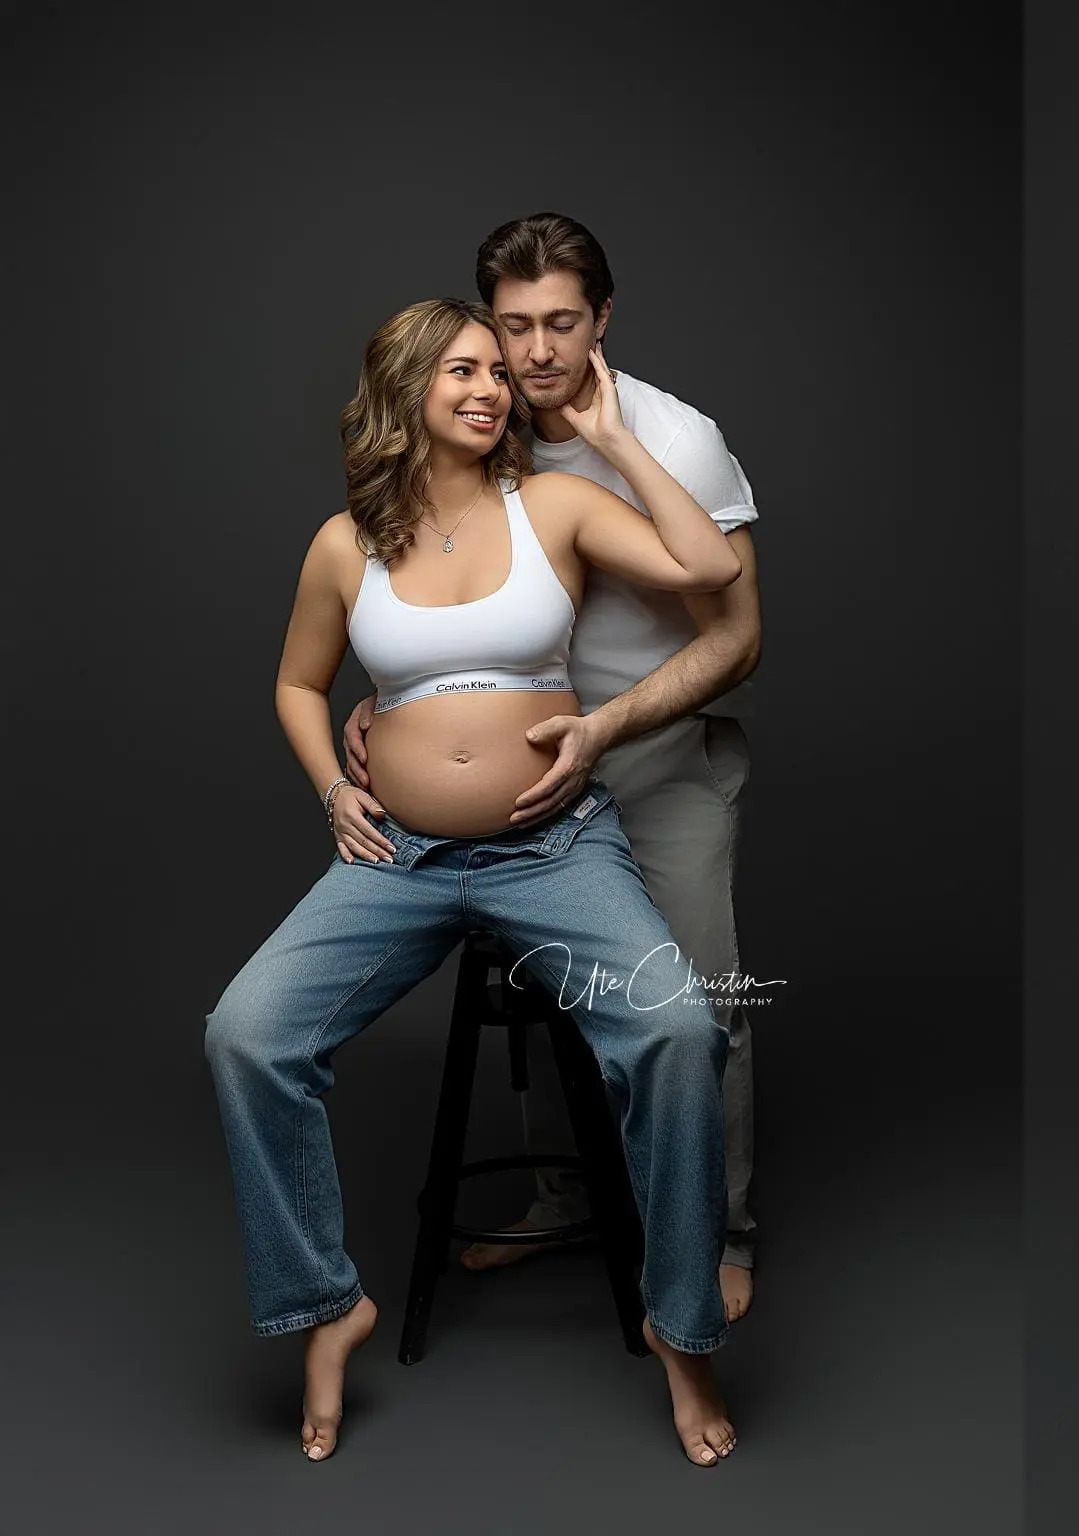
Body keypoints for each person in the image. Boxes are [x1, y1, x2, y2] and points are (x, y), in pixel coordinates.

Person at [203, 297, 747, 1467]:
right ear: (405, 384)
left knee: (681, 1032)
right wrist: (329, 791)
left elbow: (705, 562)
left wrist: (606, 438)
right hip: (394, 857)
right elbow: (300, 684)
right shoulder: (346, 542)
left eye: (499, 374)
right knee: (248, 1032)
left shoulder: (551, 501)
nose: (493, 388)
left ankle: (682, 1333)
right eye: (463, 369)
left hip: (552, 847)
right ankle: (323, 1303)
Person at [343, 214, 765, 1323]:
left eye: (561, 324)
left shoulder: (677, 441)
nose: (535, 355)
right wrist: (396, 707)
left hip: (655, 762)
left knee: (695, 1006)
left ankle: (719, 1232)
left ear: (603, 318)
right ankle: (556, 1193)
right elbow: (433, 593)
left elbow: (737, 637)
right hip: (531, 792)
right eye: (514, 326)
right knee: (551, 995)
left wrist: (607, 726)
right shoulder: (479, 426)